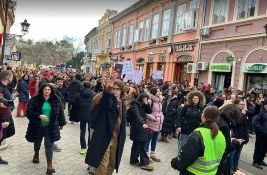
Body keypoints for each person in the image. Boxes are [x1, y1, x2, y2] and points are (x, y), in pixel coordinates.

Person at [85, 80, 126, 175]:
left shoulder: (122, 103)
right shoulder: (109, 100)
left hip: (117, 138)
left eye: (117, 89)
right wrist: (108, 89)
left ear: (121, 90)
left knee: (112, 163)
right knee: (103, 164)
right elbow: (105, 103)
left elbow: (123, 120)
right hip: (105, 137)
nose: (115, 91)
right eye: (113, 89)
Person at [171, 106, 226, 175]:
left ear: (203, 116)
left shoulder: (198, 134)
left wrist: (174, 162)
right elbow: (223, 158)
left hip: (192, 172)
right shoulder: (221, 135)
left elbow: (184, 158)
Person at [25, 84, 66, 174]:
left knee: (49, 145)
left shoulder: (56, 99)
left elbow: (60, 112)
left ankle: (49, 165)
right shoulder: (34, 99)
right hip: (37, 125)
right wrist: (39, 115)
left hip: (50, 126)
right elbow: (28, 111)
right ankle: (36, 153)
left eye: (48, 89)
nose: (47, 91)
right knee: (37, 141)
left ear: (51, 91)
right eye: (45, 89)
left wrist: (61, 123)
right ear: (42, 90)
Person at [127, 93, 154, 171]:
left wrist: (147, 104)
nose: (145, 100)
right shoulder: (135, 105)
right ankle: (143, 162)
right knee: (140, 143)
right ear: (141, 98)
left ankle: (135, 160)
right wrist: (143, 123)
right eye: (144, 98)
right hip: (137, 127)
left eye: (147, 98)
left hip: (141, 126)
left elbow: (149, 111)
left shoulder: (143, 105)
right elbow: (137, 115)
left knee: (138, 144)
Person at [216, 104, 243, 175]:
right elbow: (227, 147)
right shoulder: (224, 126)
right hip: (219, 158)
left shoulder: (218, 119)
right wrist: (236, 143)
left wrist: (229, 139)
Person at [73, 81, 96, 155]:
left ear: (83, 86)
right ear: (90, 86)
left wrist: (78, 112)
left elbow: (75, 105)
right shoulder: (94, 94)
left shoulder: (79, 94)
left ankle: (83, 147)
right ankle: (90, 146)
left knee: (82, 131)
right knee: (90, 131)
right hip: (91, 115)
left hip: (82, 115)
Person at [0, 70, 15, 165]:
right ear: (8, 77)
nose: (12, 78)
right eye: (12, 77)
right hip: (2, 118)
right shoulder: (0, 87)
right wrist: (10, 104)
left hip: (6, 117)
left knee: (8, 133)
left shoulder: (4, 87)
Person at [145, 87, 164, 162]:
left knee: (155, 139)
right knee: (148, 139)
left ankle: (153, 153)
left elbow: (159, 111)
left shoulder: (159, 101)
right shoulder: (150, 101)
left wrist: (161, 117)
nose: (159, 92)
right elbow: (145, 112)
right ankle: (145, 154)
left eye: (160, 91)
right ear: (154, 92)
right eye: (158, 91)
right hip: (151, 123)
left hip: (158, 123)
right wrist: (153, 118)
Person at [230, 100, 249, 173]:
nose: (243, 106)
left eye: (243, 105)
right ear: (236, 105)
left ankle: (235, 167)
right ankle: (231, 168)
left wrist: (245, 138)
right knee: (233, 154)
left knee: (237, 154)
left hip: (242, 137)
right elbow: (234, 125)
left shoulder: (243, 114)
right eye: (241, 104)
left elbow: (245, 128)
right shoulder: (233, 114)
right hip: (235, 137)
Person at [252, 98, 267, 169]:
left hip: (266, 134)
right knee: (259, 147)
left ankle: (260, 160)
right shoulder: (260, 111)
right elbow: (255, 123)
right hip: (261, 134)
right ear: (265, 105)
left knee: (264, 148)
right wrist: (263, 130)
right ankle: (255, 161)